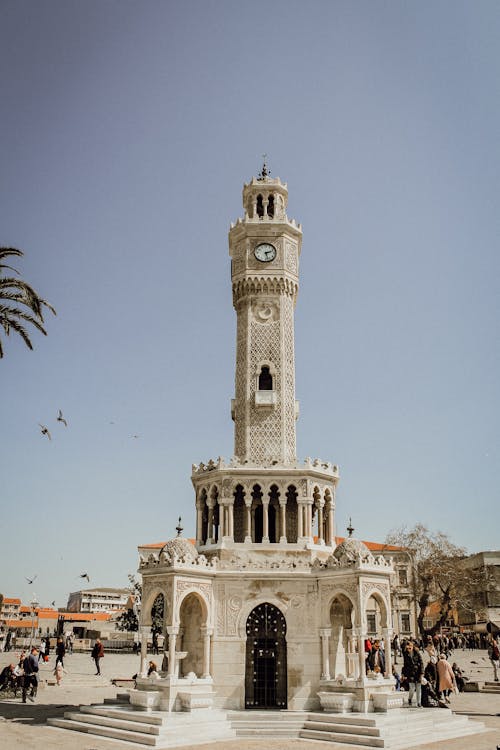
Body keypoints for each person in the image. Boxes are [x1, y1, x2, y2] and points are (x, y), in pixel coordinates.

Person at [402, 641, 424, 707]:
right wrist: (403, 674)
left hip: (418, 672)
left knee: (418, 688)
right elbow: (405, 664)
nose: (408, 650)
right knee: (412, 687)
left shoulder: (417, 652)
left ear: (412, 647)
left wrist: (422, 673)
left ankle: (419, 702)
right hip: (410, 673)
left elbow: (421, 662)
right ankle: (410, 698)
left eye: (410, 648)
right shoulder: (405, 654)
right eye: (407, 648)